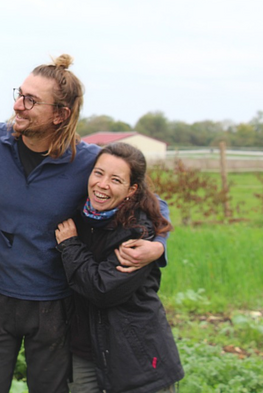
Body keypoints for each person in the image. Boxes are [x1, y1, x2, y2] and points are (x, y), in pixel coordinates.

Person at [0, 54, 168, 393]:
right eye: (19, 93)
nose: (18, 105)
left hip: (55, 304)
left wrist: (158, 244)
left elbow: (149, 202)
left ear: (61, 115)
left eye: (31, 100)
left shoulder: (87, 162)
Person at [55, 142, 184, 393]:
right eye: (98, 173)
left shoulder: (138, 232)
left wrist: (70, 246)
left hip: (135, 357)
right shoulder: (77, 213)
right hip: (84, 351)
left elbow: (103, 289)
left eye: (116, 179)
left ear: (131, 190)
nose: (102, 185)